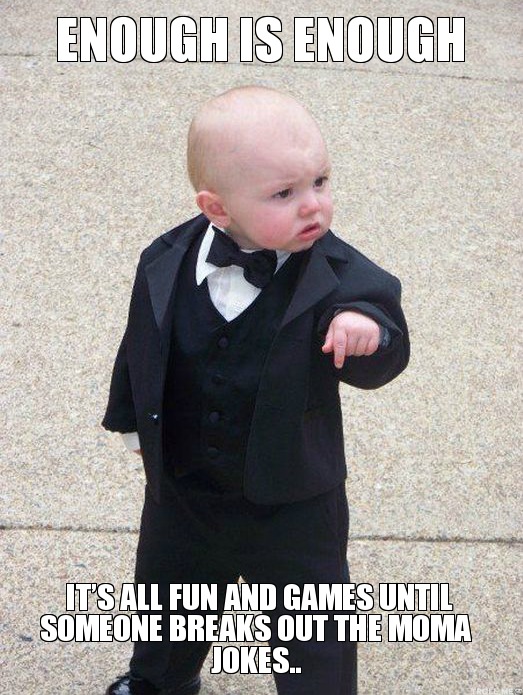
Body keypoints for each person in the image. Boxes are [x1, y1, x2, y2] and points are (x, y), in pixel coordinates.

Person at [102, 85, 409, 695]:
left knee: (312, 623)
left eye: (320, 181)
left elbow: (387, 351)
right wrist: (132, 420)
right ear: (216, 208)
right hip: (186, 488)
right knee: (168, 597)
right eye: (284, 193)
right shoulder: (164, 260)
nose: (312, 205)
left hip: (294, 498)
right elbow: (142, 345)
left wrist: (368, 332)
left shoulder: (342, 277)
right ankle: (160, 681)